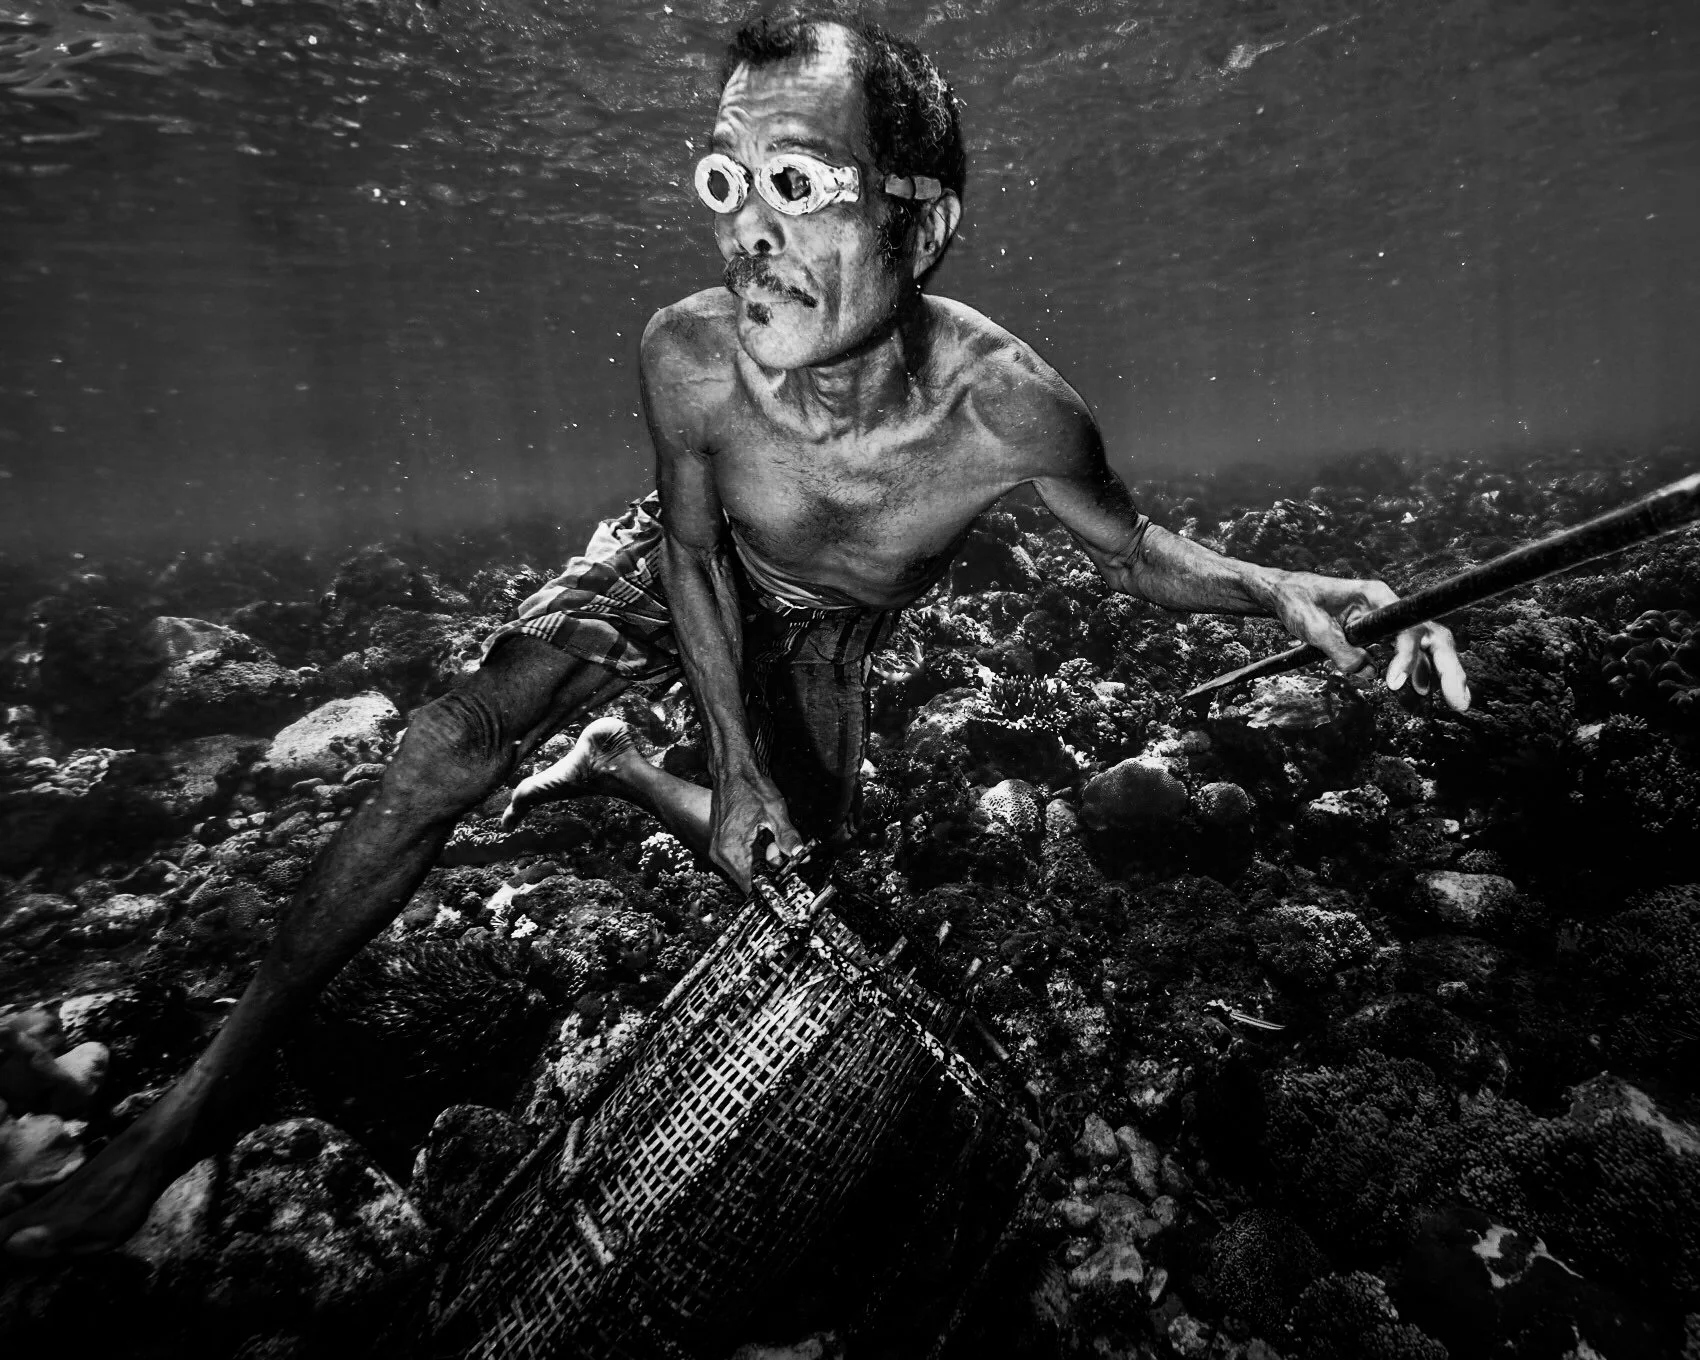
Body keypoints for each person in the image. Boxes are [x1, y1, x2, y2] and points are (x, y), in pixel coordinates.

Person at [0, 12, 1469, 1261]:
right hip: (688, 565)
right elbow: (690, 552)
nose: (748, 231)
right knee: (449, 745)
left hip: (830, 630)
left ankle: (623, 764)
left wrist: (1276, 586)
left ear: (922, 222)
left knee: (790, 878)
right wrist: (738, 756)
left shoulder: (1011, 406)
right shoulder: (688, 351)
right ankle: (194, 1103)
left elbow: (1133, 553)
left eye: (800, 183)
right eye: (726, 179)